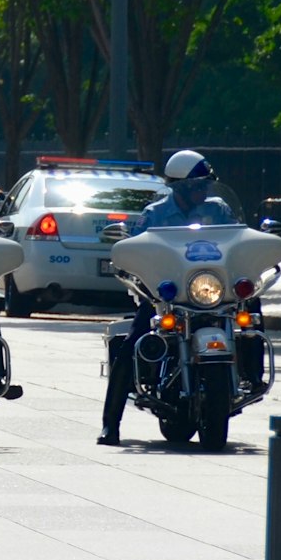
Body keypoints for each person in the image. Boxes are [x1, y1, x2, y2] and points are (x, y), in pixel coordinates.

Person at [97, 149, 240, 446]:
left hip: (210, 290)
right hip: (167, 295)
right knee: (131, 345)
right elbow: (136, 250)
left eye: (205, 185)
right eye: (197, 186)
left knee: (251, 319)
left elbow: (237, 241)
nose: (203, 191)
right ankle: (111, 425)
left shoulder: (219, 210)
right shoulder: (155, 214)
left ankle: (251, 372)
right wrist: (137, 270)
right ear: (181, 187)